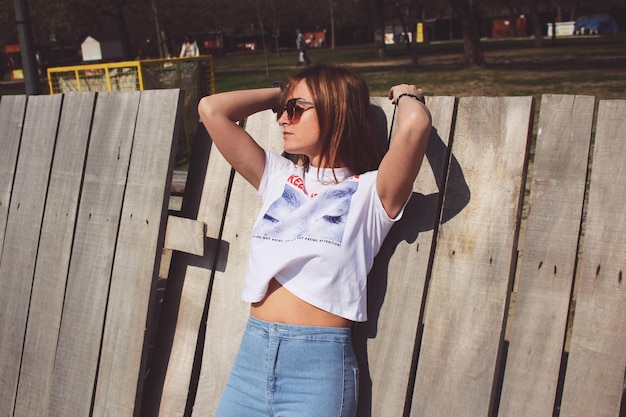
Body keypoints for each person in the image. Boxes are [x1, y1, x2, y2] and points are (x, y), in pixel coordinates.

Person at [197, 64, 431, 417]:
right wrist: (284, 93)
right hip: (252, 358)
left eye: (295, 110)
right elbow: (211, 110)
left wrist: (408, 95)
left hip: (317, 372)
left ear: (336, 110)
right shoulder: (278, 176)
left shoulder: (372, 192)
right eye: (283, 110)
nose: (282, 120)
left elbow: (415, 126)